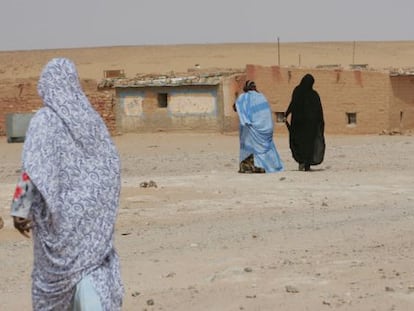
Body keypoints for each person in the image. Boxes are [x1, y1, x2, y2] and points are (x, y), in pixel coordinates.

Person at [10, 58, 123, 310]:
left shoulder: (44, 120)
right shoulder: (91, 120)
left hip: (57, 227)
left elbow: (31, 169)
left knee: (56, 287)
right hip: (89, 227)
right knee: (92, 270)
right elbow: (110, 166)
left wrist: (19, 210)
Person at [234, 80, 284, 173]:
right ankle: (266, 166)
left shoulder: (244, 97)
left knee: (249, 146)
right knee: (264, 148)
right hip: (266, 128)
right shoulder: (262, 97)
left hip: (253, 128)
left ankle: (251, 167)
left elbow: (235, 107)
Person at [284, 74, 325, 171]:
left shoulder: (298, 91)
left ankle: (301, 161)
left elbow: (293, 104)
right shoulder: (314, 95)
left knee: (298, 143)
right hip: (310, 126)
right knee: (309, 144)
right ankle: (307, 164)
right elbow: (319, 111)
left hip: (298, 124)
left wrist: (286, 113)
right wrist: (321, 123)